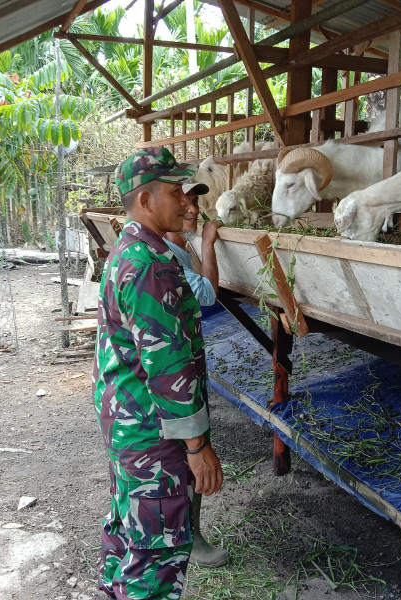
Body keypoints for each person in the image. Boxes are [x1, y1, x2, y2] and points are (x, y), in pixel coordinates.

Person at [93, 147, 224, 600]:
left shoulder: (125, 252)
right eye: (175, 193)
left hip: (126, 423)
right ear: (145, 200)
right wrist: (197, 446)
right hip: (154, 433)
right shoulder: (151, 267)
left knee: (129, 530)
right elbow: (168, 367)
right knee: (157, 550)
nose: (189, 204)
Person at [163, 184, 229, 568]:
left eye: (195, 203)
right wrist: (209, 243)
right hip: (172, 380)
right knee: (182, 459)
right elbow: (208, 295)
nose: (192, 209)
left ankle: (188, 535)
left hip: (183, 370)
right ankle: (188, 540)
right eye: (183, 202)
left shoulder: (178, 246)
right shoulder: (163, 258)